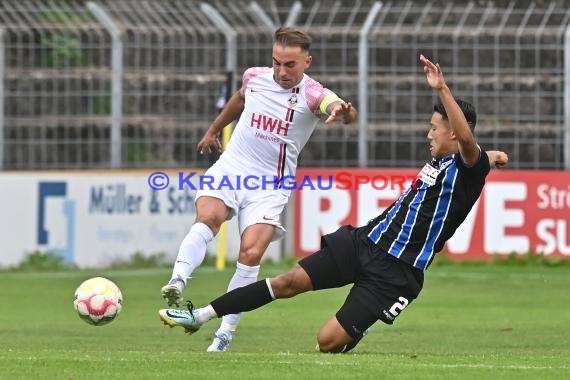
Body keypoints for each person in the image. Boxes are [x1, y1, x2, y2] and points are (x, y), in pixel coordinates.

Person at [158, 54, 509, 353]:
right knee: (287, 282)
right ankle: (200, 315)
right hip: (365, 242)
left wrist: (442, 90)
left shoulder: (468, 163)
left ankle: (361, 323)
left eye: (435, 128)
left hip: (396, 273)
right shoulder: (449, 161)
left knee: (327, 342)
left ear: (453, 133)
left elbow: (469, 145)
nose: (428, 134)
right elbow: (477, 153)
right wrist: (494, 155)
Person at [161, 26, 357, 352]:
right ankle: (177, 281)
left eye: (290, 65)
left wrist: (344, 112)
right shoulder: (254, 77)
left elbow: (334, 105)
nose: (281, 71)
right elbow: (239, 100)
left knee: (250, 253)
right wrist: (213, 131)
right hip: (233, 169)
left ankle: (224, 332)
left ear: (307, 61)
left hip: (270, 185)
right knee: (207, 217)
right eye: (277, 62)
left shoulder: (311, 94)